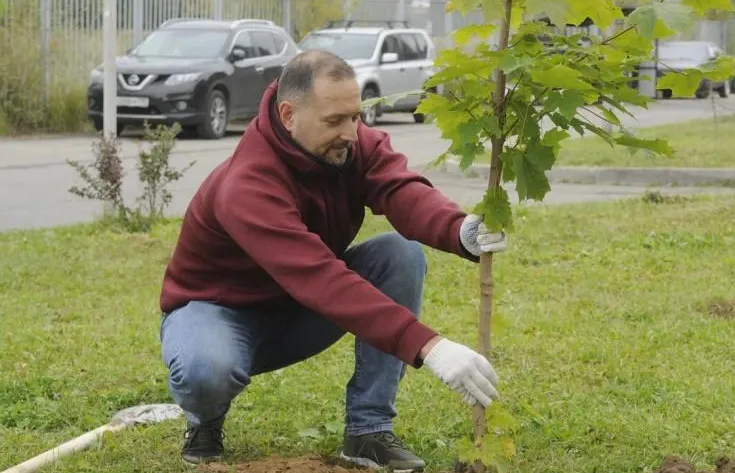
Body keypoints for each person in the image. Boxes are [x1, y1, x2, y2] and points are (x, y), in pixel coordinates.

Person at [158, 49, 507, 472]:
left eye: (355, 116)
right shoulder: (247, 185)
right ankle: (205, 418)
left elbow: (399, 190)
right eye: (334, 121)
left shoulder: (350, 144)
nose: (351, 132)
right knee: (206, 368)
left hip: (298, 311)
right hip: (219, 312)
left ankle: (368, 432)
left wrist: (458, 229)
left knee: (399, 255)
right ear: (288, 115)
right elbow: (321, 278)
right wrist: (430, 347)